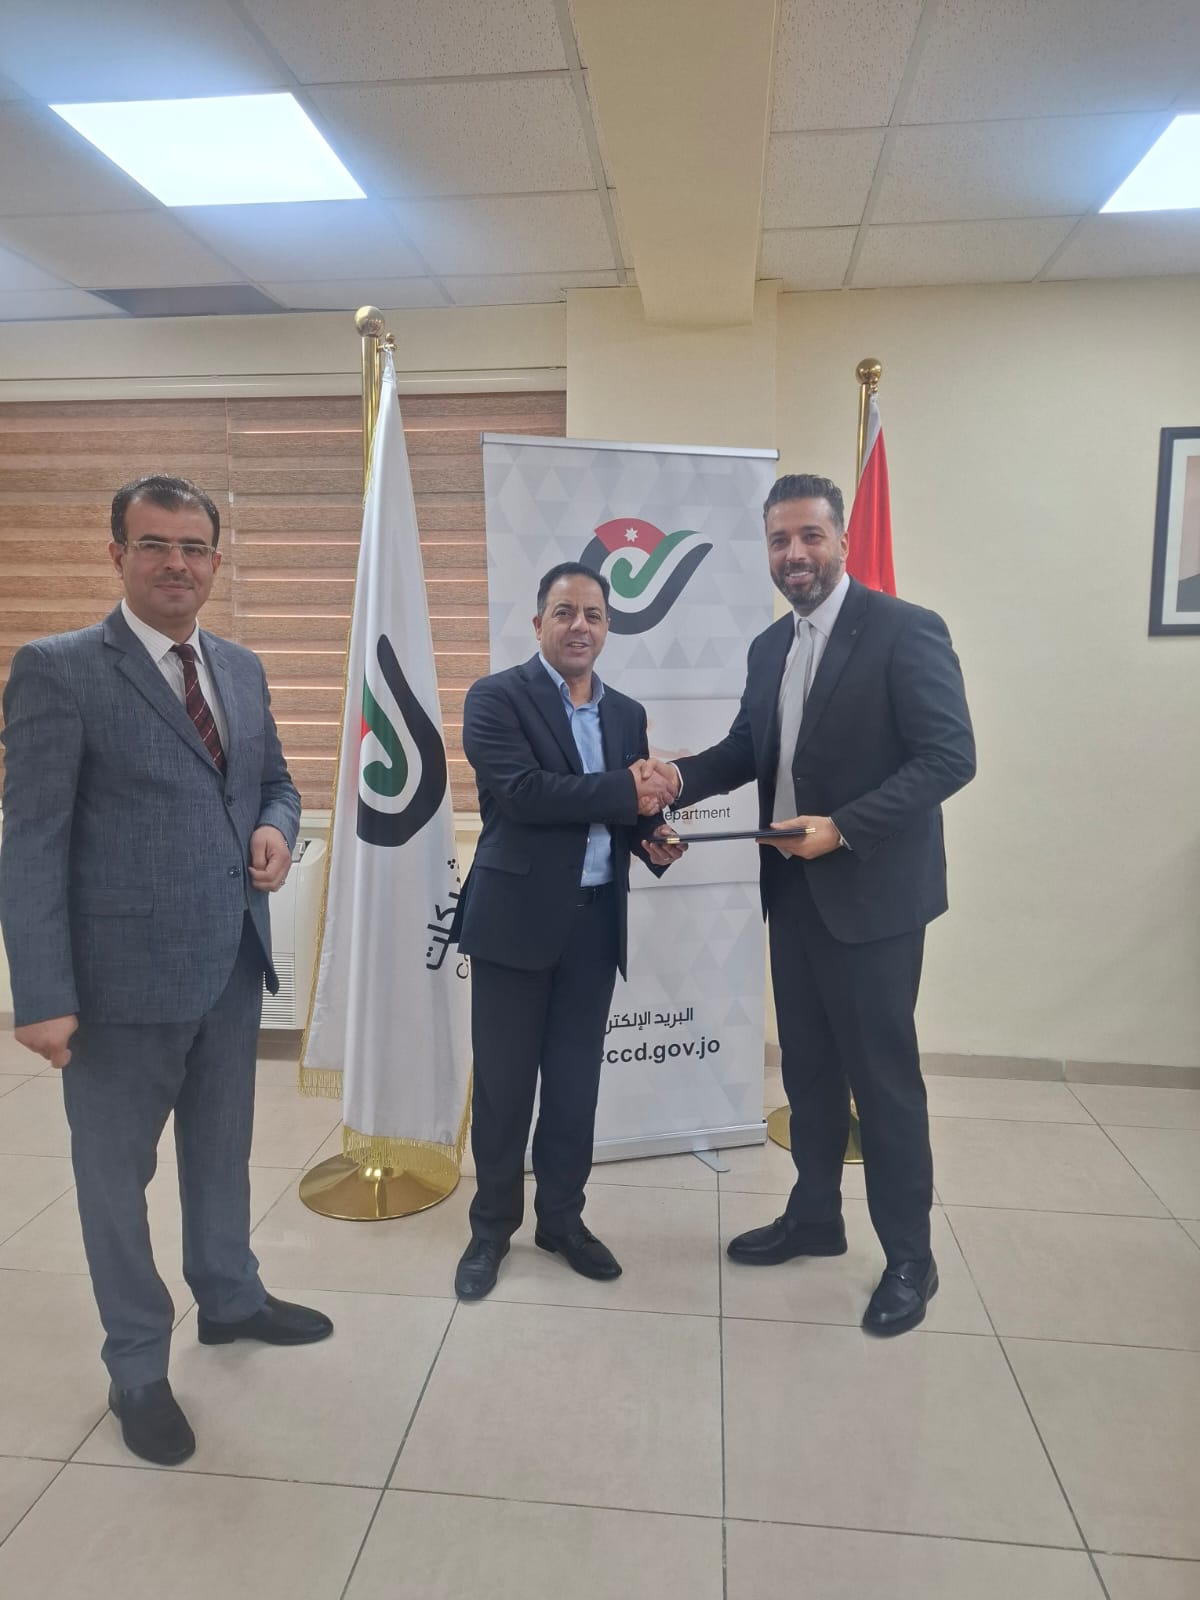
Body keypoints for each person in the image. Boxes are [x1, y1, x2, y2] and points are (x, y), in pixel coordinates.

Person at [0, 474, 333, 1467]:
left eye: (194, 547)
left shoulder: (240, 666)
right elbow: (32, 840)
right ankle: (138, 1365)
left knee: (223, 1153)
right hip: (118, 986)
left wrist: (275, 831)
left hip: (231, 962)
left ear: (215, 561)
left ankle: (229, 1297)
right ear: (118, 554)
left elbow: (276, 783)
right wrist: (41, 994)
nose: (176, 563)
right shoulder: (59, 670)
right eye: (155, 544)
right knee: (116, 1179)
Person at [647, 473, 976, 1335]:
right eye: (779, 540)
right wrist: (675, 779)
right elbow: (746, 750)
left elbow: (950, 756)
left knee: (884, 1084)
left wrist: (845, 827)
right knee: (808, 1072)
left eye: (810, 536)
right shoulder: (770, 647)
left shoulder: (904, 630)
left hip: (873, 901)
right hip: (791, 895)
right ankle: (816, 1217)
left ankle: (911, 1259)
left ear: (841, 541)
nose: (794, 554)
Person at [449, 562, 680, 1301]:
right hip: (514, 924)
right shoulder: (495, 698)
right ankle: (491, 1229)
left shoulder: (627, 714)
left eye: (594, 614)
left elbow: (631, 815)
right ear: (539, 623)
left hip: (594, 924)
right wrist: (626, 793)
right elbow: (523, 794)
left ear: (608, 627)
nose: (580, 625)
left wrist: (654, 837)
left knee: (576, 1088)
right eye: (564, 612)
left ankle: (562, 1221)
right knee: (505, 1088)